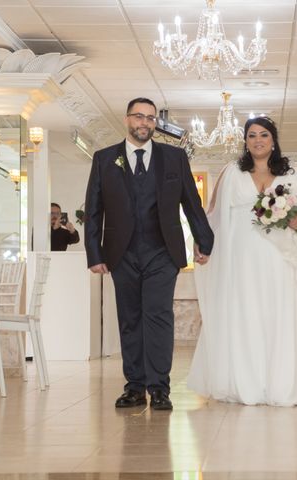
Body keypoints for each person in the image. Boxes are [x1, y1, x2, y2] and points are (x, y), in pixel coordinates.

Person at [187, 116, 297, 406]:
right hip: (241, 260)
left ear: (273, 140)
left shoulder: (294, 171)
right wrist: (202, 244)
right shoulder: (231, 172)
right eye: (252, 135)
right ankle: (244, 383)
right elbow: (212, 214)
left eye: (264, 134)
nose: (258, 140)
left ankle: (283, 383)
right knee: (244, 313)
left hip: (280, 259)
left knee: (279, 313)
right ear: (246, 141)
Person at [84, 97, 214, 411]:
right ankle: (134, 386)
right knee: (129, 320)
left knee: (158, 317)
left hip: (162, 252)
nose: (145, 123)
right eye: (139, 117)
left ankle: (159, 389)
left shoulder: (174, 157)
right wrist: (94, 253)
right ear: (127, 119)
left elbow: (190, 202)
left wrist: (204, 240)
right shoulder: (104, 159)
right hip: (121, 253)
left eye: (151, 118)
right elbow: (93, 210)